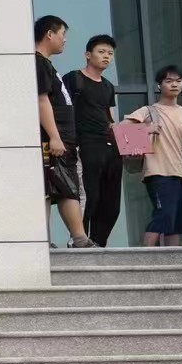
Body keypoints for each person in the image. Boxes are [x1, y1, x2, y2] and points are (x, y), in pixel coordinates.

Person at [123, 66, 182, 247]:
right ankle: (144, 258)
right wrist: (146, 129)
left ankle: (172, 261)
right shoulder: (149, 111)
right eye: (169, 81)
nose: (174, 84)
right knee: (163, 215)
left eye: (178, 81)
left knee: (176, 223)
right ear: (159, 85)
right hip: (157, 172)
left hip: (181, 174)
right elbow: (121, 129)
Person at [35, 15, 95, 248]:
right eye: (62, 34)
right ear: (49, 34)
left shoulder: (46, 64)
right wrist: (54, 137)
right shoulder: (38, 62)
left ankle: (79, 238)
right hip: (53, 140)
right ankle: (44, 241)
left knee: (67, 188)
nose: (65, 40)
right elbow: (42, 101)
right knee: (47, 189)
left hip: (63, 140)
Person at [66, 35, 123, 247]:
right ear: (88, 55)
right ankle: (78, 241)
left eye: (110, 53)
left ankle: (99, 243)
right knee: (89, 195)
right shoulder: (74, 79)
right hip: (85, 144)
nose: (106, 56)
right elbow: (61, 109)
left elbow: (110, 118)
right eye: (101, 52)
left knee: (111, 201)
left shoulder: (108, 86)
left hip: (109, 146)